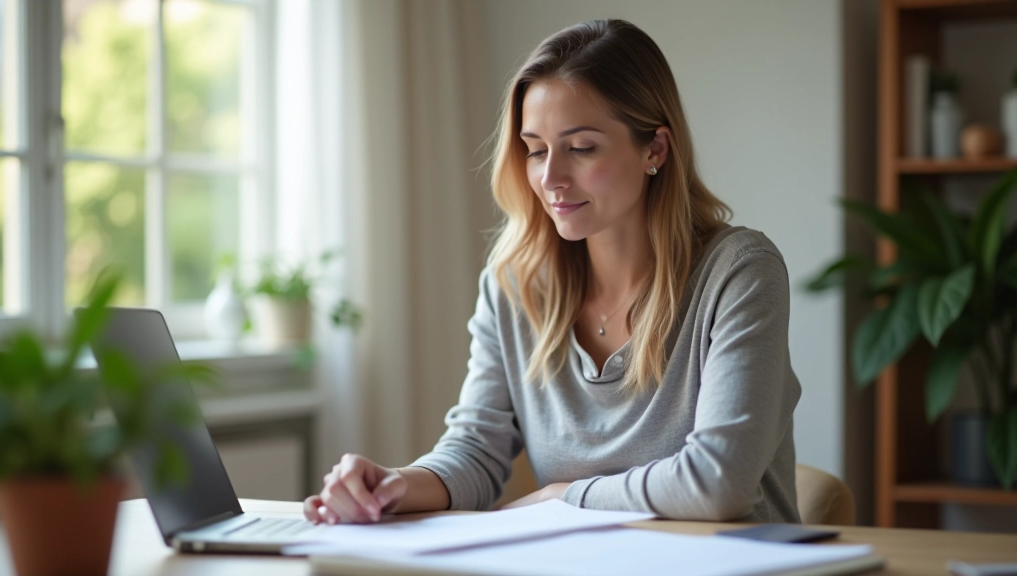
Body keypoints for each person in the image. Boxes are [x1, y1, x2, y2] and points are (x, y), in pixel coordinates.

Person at [304, 18, 802, 525]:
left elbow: (719, 484)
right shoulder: (514, 286)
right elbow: (476, 451)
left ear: (654, 148)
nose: (551, 178)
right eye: (535, 150)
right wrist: (391, 486)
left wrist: (561, 496)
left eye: (581, 148)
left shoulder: (740, 274)